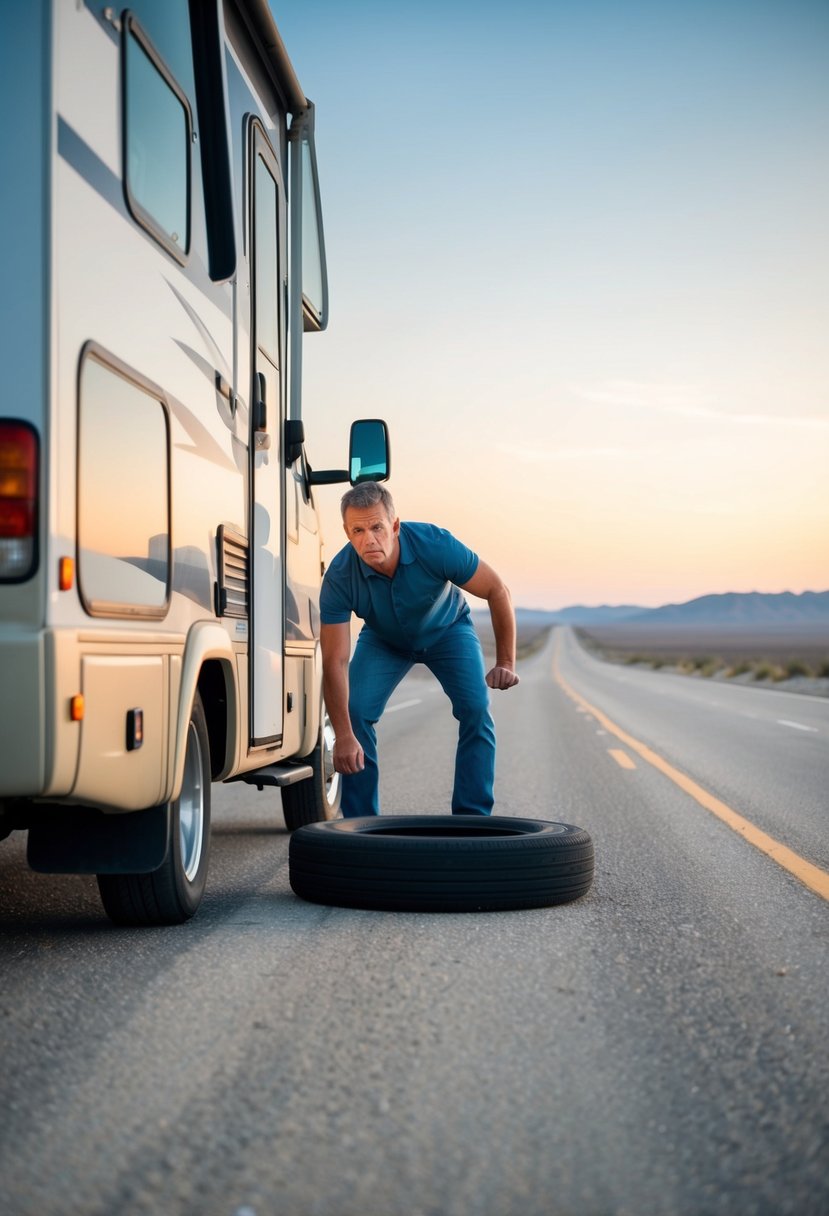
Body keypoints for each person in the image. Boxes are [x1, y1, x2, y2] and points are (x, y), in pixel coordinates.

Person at [319, 481, 520, 818]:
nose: (368, 538)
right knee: (356, 713)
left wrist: (506, 660)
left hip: (448, 630)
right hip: (384, 640)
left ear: (394, 526)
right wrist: (342, 735)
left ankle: (472, 818)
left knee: (475, 708)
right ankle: (360, 825)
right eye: (357, 530)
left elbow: (497, 589)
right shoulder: (340, 576)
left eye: (377, 527)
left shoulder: (434, 544)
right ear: (346, 531)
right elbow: (334, 661)